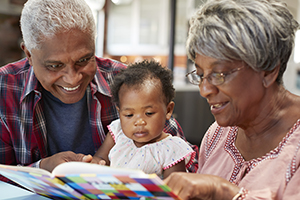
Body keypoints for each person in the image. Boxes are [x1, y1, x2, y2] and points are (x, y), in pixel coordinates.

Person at [0, 0, 199, 184]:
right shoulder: (4, 87)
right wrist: (42, 168)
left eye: (84, 60)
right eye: (54, 65)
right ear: (28, 54)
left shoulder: (129, 84)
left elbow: (179, 156)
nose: (73, 78)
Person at [164, 0, 300, 199]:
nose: (205, 90)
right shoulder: (218, 135)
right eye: (201, 75)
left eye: (219, 74)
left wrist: (222, 190)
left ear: (269, 71)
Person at [91, 60, 196, 179]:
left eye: (148, 113)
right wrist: (95, 163)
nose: (139, 122)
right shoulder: (117, 132)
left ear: (168, 110)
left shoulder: (172, 150)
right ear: (119, 112)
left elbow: (173, 187)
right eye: (129, 115)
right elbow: (100, 159)